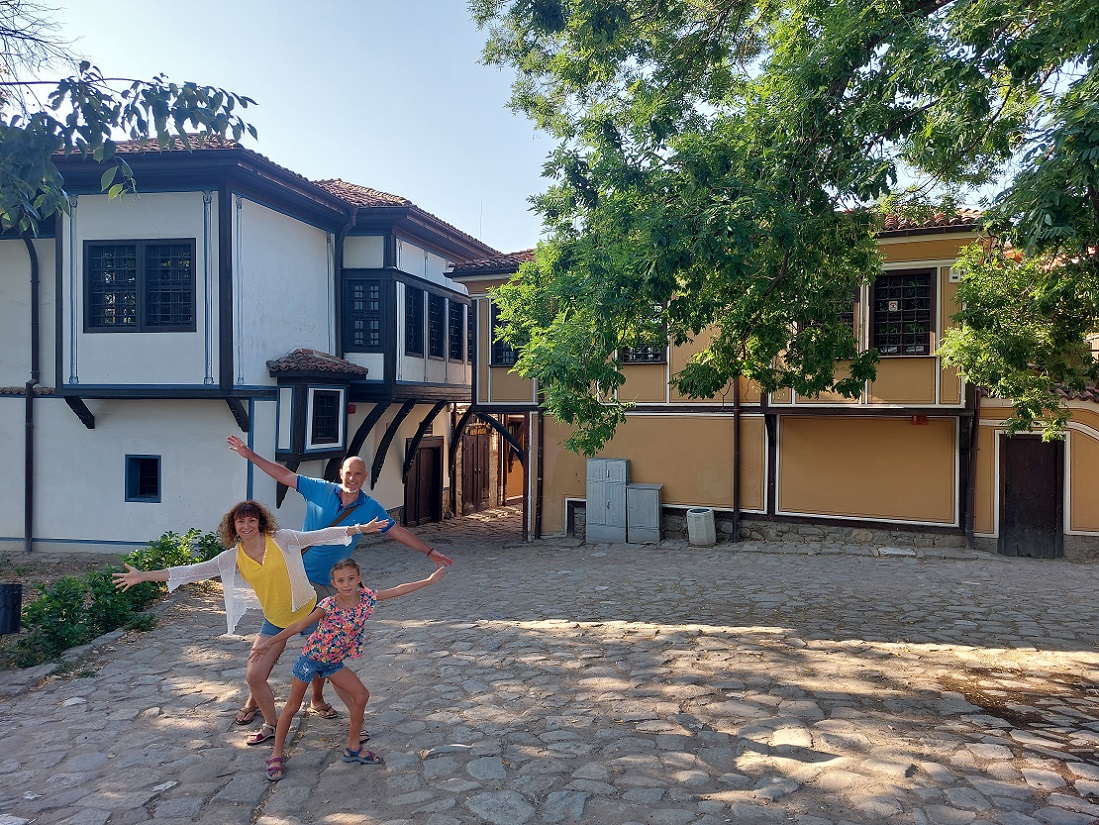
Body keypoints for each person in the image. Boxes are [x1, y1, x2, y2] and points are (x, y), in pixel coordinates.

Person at [112, 500, 384, 745]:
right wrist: (144, 575)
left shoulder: (283, 539)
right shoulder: (233, 557)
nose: (246, 525)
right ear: (233, 526)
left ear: (260, 522)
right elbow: (192, 571)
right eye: (240, 521)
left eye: (251, 520)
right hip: (275, 620)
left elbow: (320, 535)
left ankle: (356, 723)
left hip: (309, 612)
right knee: (254, 675)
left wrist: (359, 528)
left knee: (332, 670)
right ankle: (271, 723)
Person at [226, 434, 453, 723]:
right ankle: (254, 699)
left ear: (364, 477)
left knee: (322, 644)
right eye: (349, 473)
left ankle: (316, 699)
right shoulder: (319, 489)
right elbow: (283, 475)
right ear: (341, 474)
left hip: (327, 587)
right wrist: (250, 455)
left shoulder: (370, 508)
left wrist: (429, 551)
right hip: (293, 579)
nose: (353, 478)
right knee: (274, 638)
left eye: (358, 474)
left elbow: (397, 532)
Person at [256, 557, 446, 781]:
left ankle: (353, 747)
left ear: (358, 578)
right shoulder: (329, 604)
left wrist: (429, 581)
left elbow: (398, 590)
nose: (346, 584)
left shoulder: (367, 598)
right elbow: (300, 625)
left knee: (361, 696)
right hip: (311, 659)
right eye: (341, 580)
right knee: (292, 707)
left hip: (333, 662)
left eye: (351, 578)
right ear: (334, 583)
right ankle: (276, 755)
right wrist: (269, 643)